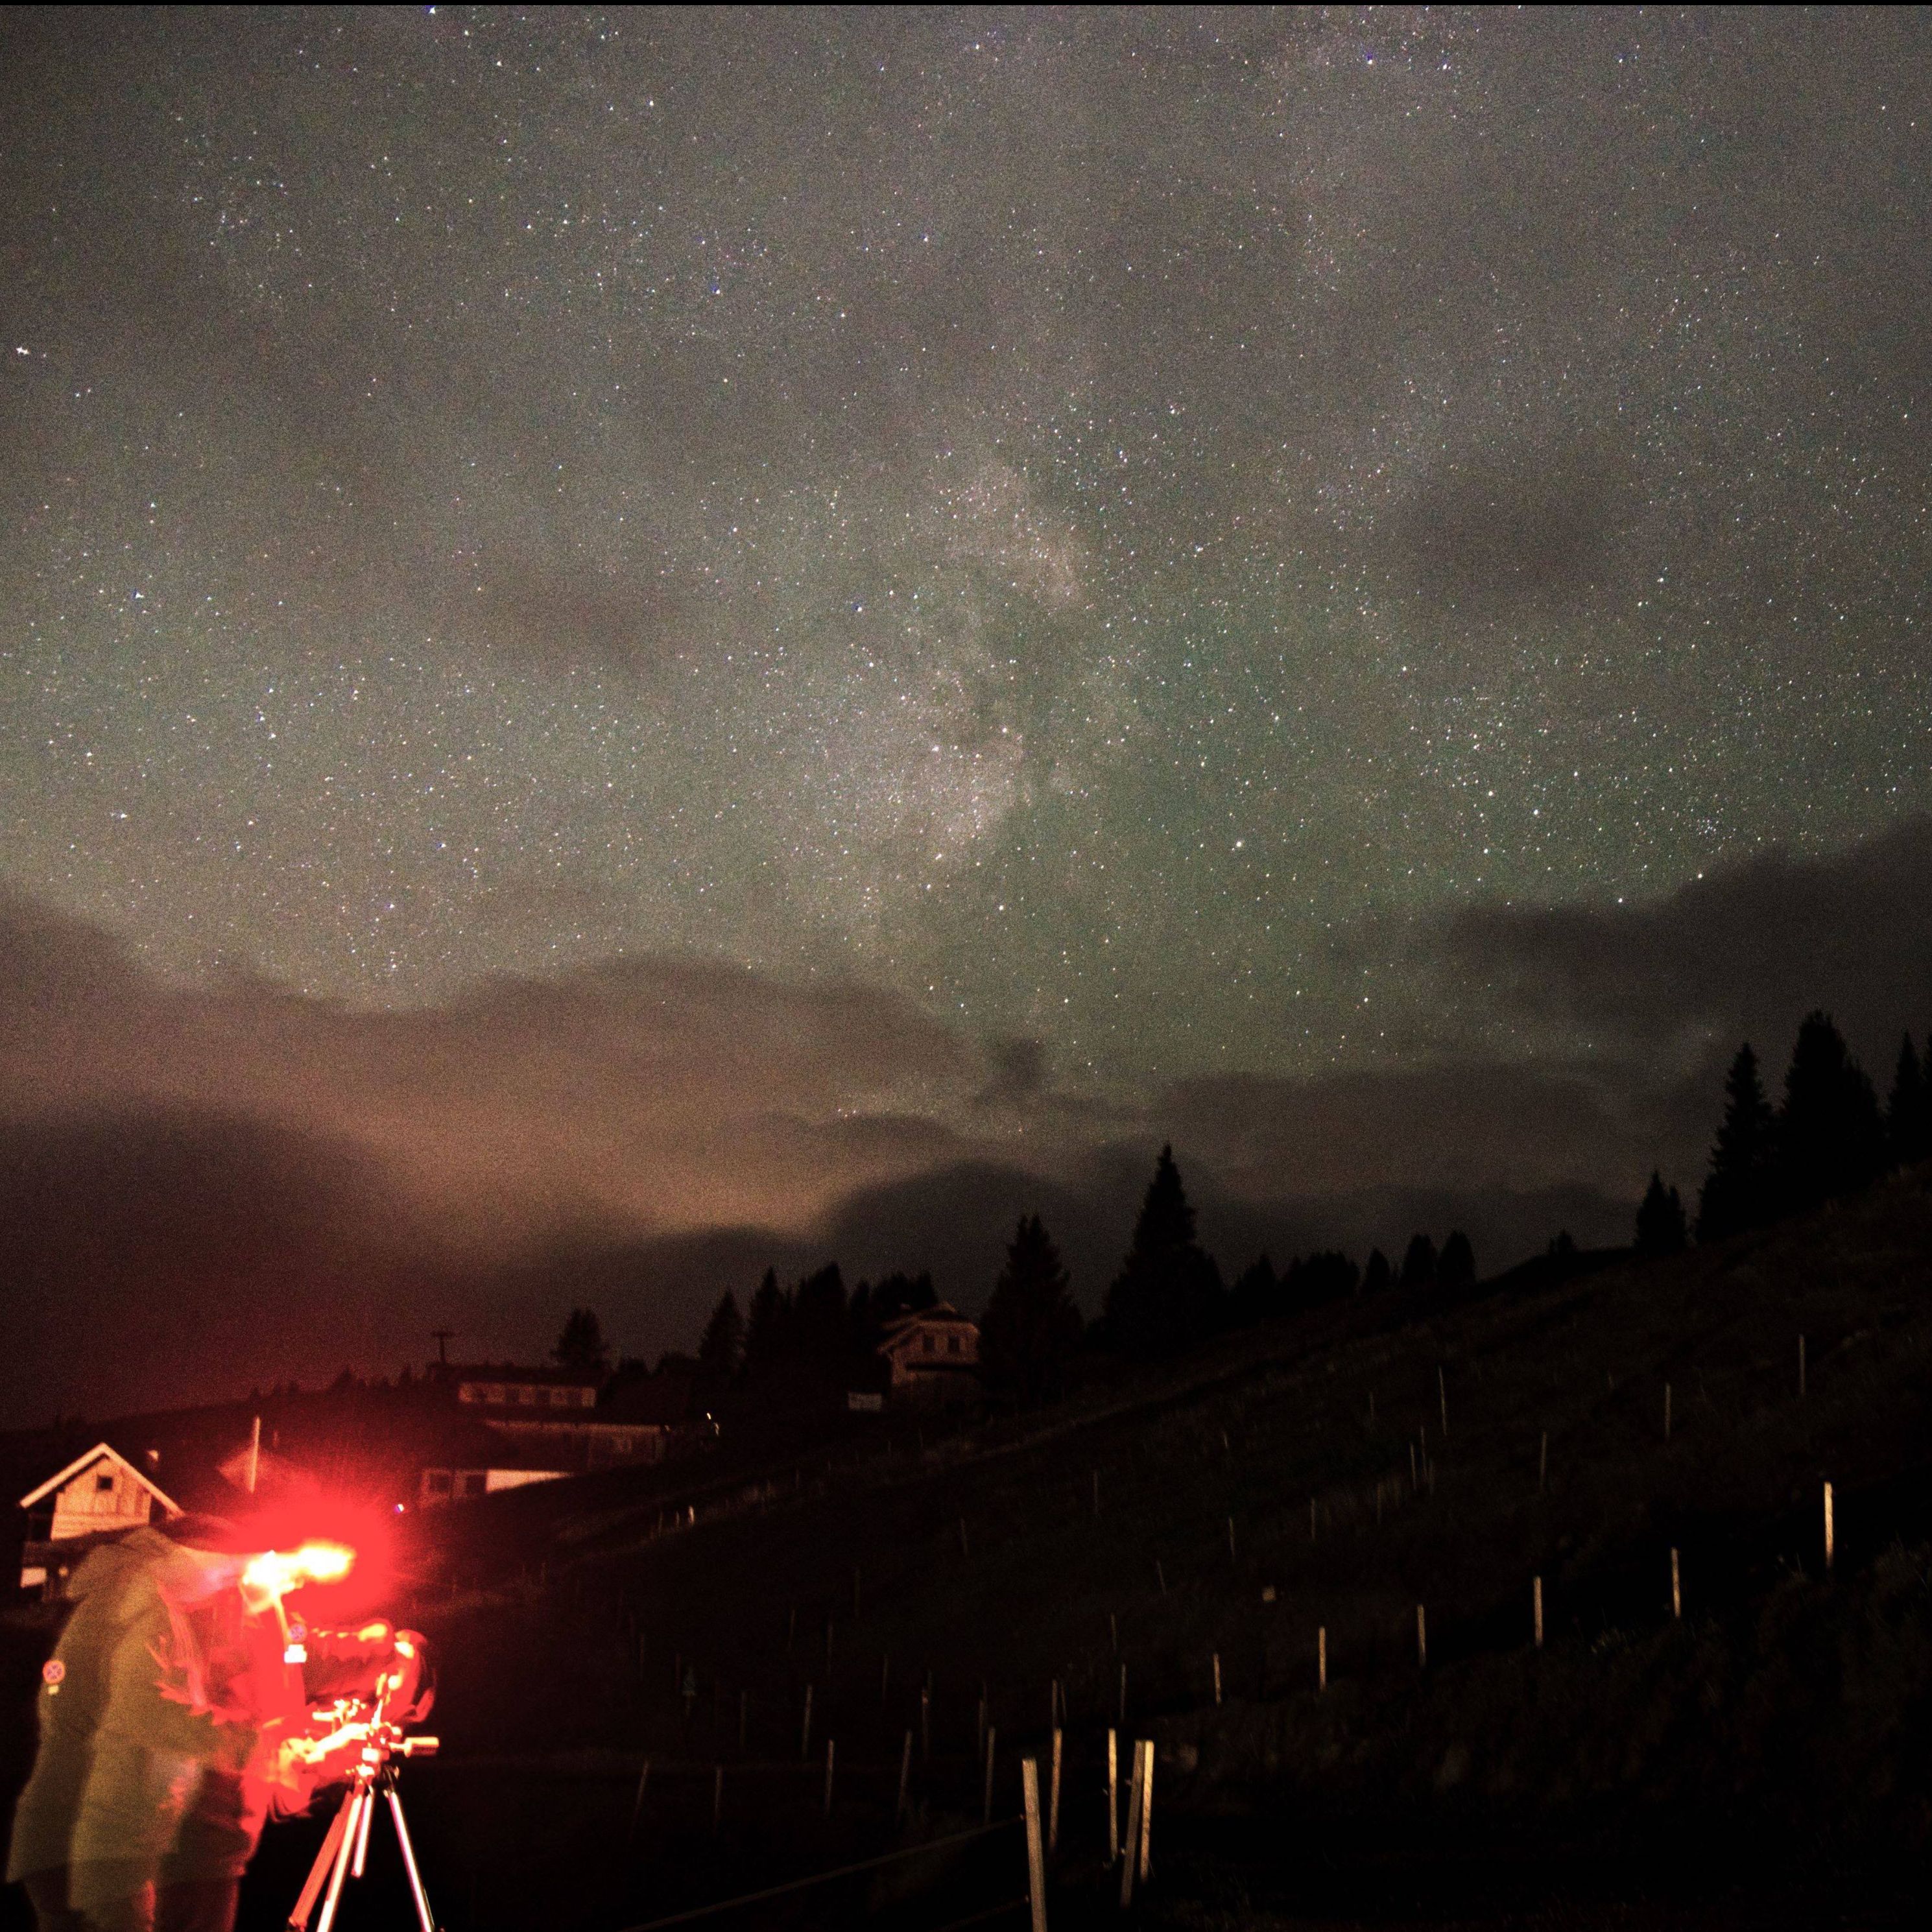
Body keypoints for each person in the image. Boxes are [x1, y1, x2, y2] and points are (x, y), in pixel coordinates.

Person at [7, 1514, 427, 1932]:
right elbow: (162, 1719)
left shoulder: (192, 1603)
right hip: (99, 1848)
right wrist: (291, 1751)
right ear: (200, 1561)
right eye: (242, 1570)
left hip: (145, 1844)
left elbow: (287, 1651)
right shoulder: (138, 1612)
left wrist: (386, 1654)